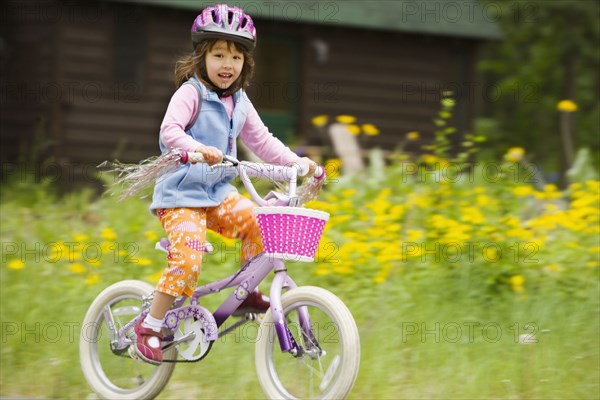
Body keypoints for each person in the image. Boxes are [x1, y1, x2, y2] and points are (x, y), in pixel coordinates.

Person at [132, 4, 317, 365]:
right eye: (218, 55)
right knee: (188, 258)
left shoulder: (241, 101)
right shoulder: (191, 94)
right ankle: (150, 325)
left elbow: (262, 141)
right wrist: (197, 149)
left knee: (262, 221)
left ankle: (247, 291)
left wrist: (295, 162)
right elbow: (169, 132)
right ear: (202, 57)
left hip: (217, 195)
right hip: (181, 195)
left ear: (245, 64)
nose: (226, 64)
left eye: (235, 56)